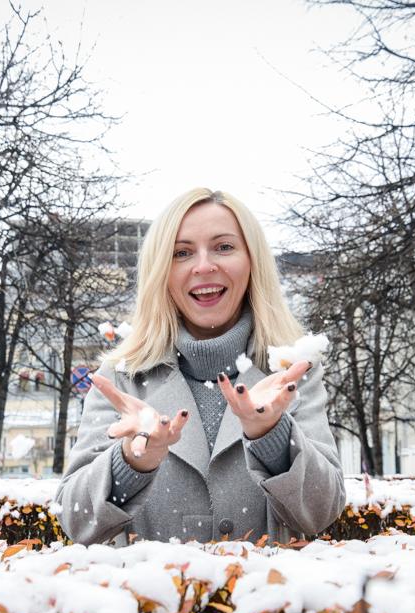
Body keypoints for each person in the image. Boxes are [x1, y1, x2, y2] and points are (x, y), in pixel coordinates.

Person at [56, 188, 346, 546]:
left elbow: (322, 512)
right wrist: (131, 461)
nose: (204, 266)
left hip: (268, 585)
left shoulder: (292, 372)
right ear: (161, 271)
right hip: (152, 585)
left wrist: (272, 435)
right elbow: (76, 521)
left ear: (252, 261)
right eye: (182, 252)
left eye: (224, 247)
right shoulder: (121, 377)